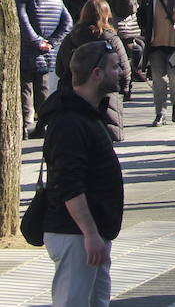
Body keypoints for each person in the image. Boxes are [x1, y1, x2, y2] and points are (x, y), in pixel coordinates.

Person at [37, 40, 126, 307]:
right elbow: (69, 184)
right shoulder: (69, 121)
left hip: (91, 233)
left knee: (96, 301)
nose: (120, 71)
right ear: (96, 74)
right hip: (74, 234)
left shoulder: (88, 114)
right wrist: (89, 233)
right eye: (114, 67)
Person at [54, 0, 130, 140]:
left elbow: (60, 68)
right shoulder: (111, 39)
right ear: (106, 15)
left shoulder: (70, 38)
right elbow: (124, 68)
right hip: (105, 94)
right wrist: (124, 88)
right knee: (106, 142)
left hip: (75, 94)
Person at [19, 0, 72, 138]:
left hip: (28, 49)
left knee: (25, 88)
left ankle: (27, 124)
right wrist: (51, 42)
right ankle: (44, 123)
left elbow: (22, 22)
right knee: (42, 87)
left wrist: (37, 41)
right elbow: (67, 23)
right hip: (48, 50)